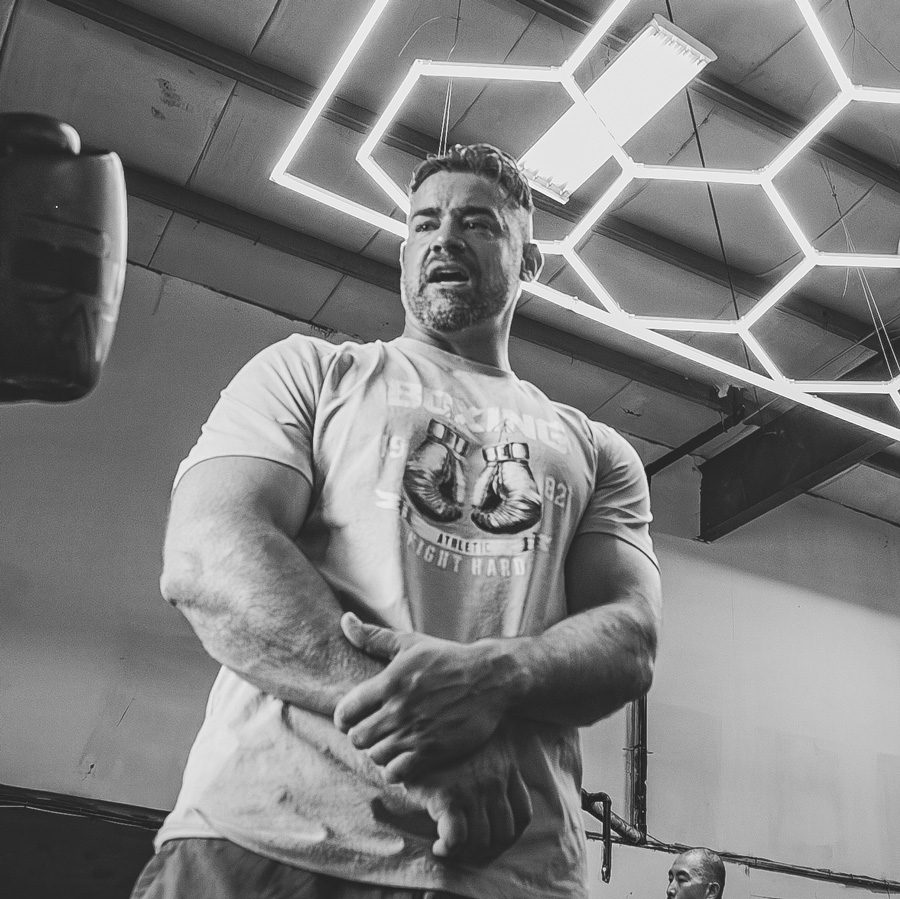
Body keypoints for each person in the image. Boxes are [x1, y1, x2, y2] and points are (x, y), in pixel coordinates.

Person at [131, 143, 661, 899]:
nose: (445, 238)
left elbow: (630, 636)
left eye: (477, 223)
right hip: (269, 838)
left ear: (530, 262)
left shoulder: (597, 448)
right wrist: (426, 739)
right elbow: (209, 556)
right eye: (425, 223)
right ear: (406, 251)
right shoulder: (310, 371)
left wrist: (495, 677)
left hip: (513, 871)